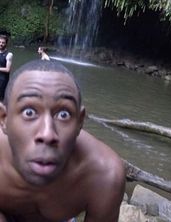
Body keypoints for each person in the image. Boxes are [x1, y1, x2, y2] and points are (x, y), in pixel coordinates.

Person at [0, 60, 125, 222]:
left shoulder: (104, 174)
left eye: (63, 115)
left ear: (80, 122)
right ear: (4, 118)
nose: (47, 134)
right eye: (29, 112)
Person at [0, 34, 13, 101]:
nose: (1, 44)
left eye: (3, 42)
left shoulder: (9, 54)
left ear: (6, 44)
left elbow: (8, 69)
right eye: (0, 42)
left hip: (3, 80)